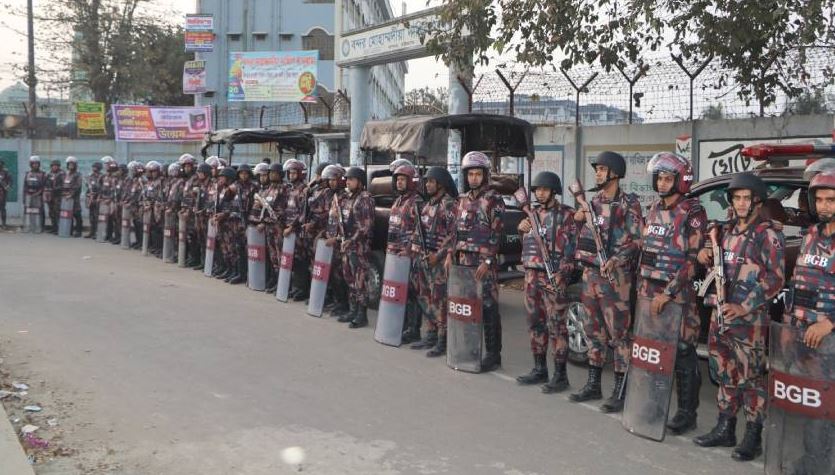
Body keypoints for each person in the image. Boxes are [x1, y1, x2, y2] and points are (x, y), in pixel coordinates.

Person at [693, 172, 785, 461]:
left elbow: (776, 278)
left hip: (749, 320)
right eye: (737, 198)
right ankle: (725, 427)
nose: (742, 203)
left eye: (747, 198)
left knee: (752, 377)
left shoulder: (767, 234)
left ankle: (752, 436)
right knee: (724, 372)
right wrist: (704, 254)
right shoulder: (724, 231)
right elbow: (711, 256)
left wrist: (745, 306)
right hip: (721, 314)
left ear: (757, 201)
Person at [634, 153, 706, 433]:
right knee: (654, 352)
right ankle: (655, 403)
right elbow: (645, 248)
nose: (662, 184)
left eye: (668, 179)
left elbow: (692, 262)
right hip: (649, 293)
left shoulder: (692, 212)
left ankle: (687, 413)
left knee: (684, 352)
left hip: (677, 297)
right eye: (660, 178)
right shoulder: (653, 209)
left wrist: (669, 292)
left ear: (680, 181)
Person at [569, 151, 643, 413]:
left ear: (614, 173)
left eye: (601, 169)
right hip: (591, 276)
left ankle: (621, 391)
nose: (597, 174)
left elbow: (638, 240)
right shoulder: (593, 203)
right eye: (597, 169)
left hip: (616, 279)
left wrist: (618, 258)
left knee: (620, 336)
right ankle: (593, 384)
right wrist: (578, 221)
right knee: (593, 332)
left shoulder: (628, 204)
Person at [777, 169, 835, 472]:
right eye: (820, 200)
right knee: (809, 401)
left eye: (831, 200)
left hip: (828, 337)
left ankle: (820, 463)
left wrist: (829, 323)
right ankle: (812, 458)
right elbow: (797, 283)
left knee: (825, 405)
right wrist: (788, 325)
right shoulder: (811, 235)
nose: (825, 206)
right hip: (802, 331)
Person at [515, 171, 578, 393]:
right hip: (531, 275)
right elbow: (528, 244)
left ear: (554, 191)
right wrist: (522, 230)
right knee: (535, 323)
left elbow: (572, 251)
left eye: (544, 189)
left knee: (557, 327)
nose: (540, 193)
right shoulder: (531, 214)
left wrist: (564, 274)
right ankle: (539, 368)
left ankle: (560, 375)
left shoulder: (566, 215)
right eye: (537, 190)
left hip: (554, 278)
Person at [444, 151, 506, 372]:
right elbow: (454, 231)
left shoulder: (493, 200)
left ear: (485, 175)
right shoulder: (461, 201)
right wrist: (451, 254)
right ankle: (470, 348)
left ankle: (493, 354)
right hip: (463, 263)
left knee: (489, 307)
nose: (474, 178)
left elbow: (496, 234)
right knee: (467, 307)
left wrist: (488, 261)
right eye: (470, 174)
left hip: (482, 265)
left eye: (478, 174)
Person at [413, 166, 458, 357]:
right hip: (425, 257)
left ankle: (442, 340)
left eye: (431, 181)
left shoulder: (449, 204)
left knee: (440, 300)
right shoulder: (427, 204)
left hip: (439, 261)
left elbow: (453, 234)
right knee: (426, 298)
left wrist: (438, 256)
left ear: (440, 183)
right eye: (427, 181)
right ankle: (430, 334)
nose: (428, 184)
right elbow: (419, 230)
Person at [386, 162, 423, 344]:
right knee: (400, 291)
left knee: (412, 293)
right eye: (398, 179)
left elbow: (419, 229)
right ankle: (401, 324)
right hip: (395, 254)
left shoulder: (416, 202)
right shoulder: (398, 201)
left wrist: (409, 250)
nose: (399, 183)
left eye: (403, 179)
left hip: (409, 255)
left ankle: (413, 329)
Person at [336, 166, 374, 328]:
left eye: (351, 179)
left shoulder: (364, 198)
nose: (348, 182)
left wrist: (352, 240)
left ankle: (361, 314)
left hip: (359, 247)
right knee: (349, 278)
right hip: (347, 244)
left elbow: (365, 226)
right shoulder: (349, 198)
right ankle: (353, 309)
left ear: (360, 181)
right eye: (347, 179)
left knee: (360, 281)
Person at [282, 159, 311, 300]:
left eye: (294, 173)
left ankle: (301, 289)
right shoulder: (290, 189)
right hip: (288, 229)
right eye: (290, 173)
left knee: (300, 260)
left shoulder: (304, 190)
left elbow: (302, 213)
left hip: (298, 231)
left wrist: (292, 227)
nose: (291, 175)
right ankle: (294, 287)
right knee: (291, 259)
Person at [261, 162, 286, 293]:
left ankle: (283, 283)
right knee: (273, 256)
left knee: (280, 255)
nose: (271, 175)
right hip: (268, 226)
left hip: (279, 227)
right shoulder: (268, 189)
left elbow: (286, 209)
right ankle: (275, 281)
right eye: (270, 172)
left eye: (274, 173)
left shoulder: (284, 188)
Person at [62, 156, 84, 237]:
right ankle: (69, 230)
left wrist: (71, 194)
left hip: (74, 198)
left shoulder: (78, 175)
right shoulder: (65, 174)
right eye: (69, 164)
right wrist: (64, 194)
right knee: (68, 215)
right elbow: (63, 184)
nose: (71, 166)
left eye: (72, 164)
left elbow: (77, 186)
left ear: (75, 165)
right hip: (66, 198)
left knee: (77, 214)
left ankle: (78, 231)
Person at [23, 155, 46, 232]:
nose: (35, 165)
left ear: (39, 164)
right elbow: (25, 186)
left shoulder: (42, 174)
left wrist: (38, 193)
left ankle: (39, 227)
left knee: (39, 212)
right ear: (31, 164)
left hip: (38, 196)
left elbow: (43, 186)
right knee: (28, 211)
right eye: (33, 163)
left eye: (37, 163)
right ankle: (28, 227)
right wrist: (25, 197)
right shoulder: (27, 173)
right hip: (28, 196)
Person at [45, 159, 65, 234]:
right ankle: (54, 227)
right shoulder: (49, 174)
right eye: (53, 166)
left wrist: (54, 189)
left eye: (56, 166)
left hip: (58, 196)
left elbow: (63, 185)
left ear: (59, 166)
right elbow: (46, 183)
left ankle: (59, 228)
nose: (54, 167)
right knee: (51, 212)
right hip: (50, 196)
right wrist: (47, 190)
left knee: (57, 212)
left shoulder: (62, 174)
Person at [85, 162, 103, 238]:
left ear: (99, 168)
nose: (93, 169)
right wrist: (88, 195)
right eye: (93, 167)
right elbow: (88, 187)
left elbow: (103, 188)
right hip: (91, 198)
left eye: (95, 167)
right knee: (91, 216)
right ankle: (91, 232)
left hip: (98, 198)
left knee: (96, 216)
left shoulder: (102, 177)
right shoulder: (90, 176)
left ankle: (96, 232)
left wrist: (99, 196)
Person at [0, 161, 11, 228]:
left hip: (2, 192)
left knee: (2, 208)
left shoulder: (6, 172)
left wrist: (7, 186)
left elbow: (10, 181)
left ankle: (3, 224)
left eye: (0, 163)